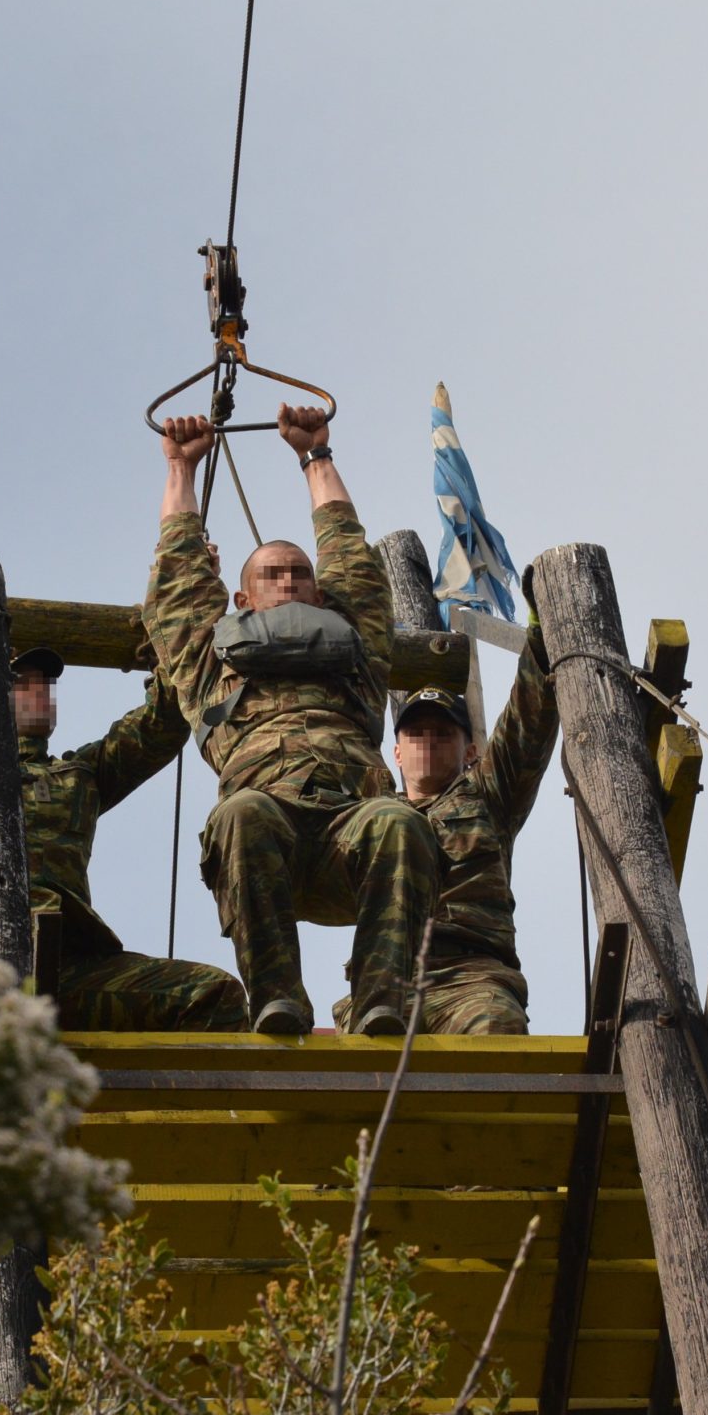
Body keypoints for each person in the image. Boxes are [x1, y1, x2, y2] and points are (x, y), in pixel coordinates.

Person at [0, 563, 246, 1032]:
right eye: (21, 680)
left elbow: (163, 723)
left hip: (65, 966)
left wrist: (182, 602)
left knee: (215, 995)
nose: (40, 691)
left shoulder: (79, 775)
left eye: (45, 684)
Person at [144, 404, 443, 1036]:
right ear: (242, 599)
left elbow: (352, 557)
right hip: (264, 841)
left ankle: (379, 1004)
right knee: (241, 812)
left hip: (349, 836)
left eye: (300, 575)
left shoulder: (356, 658)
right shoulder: (211, 664)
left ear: (319, 593)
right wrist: (180, 468)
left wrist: (315, 455)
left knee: (399, 820)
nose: (287, 583)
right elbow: (179, 573)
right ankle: (277, 1000)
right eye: (271, 575)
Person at [338, 619, 557, 1034]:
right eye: (416, 734)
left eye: (442, 733)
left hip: (472, 977)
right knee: (362, 1064)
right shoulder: (367, 815)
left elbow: (526, 723)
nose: (428, 742)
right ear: (397, 753)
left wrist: (541, 639)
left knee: (496, 1029)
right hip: (384, 984)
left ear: (470, 751)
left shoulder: (488, 796)